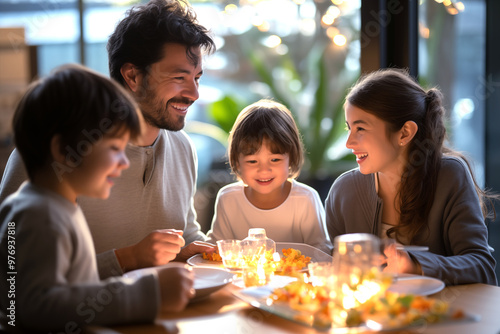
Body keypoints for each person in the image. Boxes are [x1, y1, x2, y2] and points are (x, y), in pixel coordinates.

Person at [0, 0, 217, 279]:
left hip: (159, 316)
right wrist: (126, 259)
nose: (194, 93)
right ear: (133, 76)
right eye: (179, 77)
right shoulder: (58, 151)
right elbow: (11, 273)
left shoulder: (183, 146)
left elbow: (184, 231)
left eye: (197, 78)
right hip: (77, 323)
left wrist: (189, 250)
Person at [0, 64, 196, 332]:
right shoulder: (39, 216)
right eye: (115, 148)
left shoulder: (54, 207)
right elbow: (38, 308)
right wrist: (145, 294)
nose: (125, 162)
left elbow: (74, 295)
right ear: (63, 150)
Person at [325, 68, 497, 285]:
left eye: (360, 129)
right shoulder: (344, 190)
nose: (349, 142)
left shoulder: (449, 175)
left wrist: (416, 265)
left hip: (441, 315)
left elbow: (481, 267)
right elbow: (334, 270)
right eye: (348, 128)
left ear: (405, 133)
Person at [206, 99, 333, 254]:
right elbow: (218, 248)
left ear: (291, 158)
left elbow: (322, 250)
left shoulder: (305, 199)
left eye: (275, 160)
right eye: (252, 161)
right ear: (237, 162)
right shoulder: (228, 198)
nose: (264, 170)